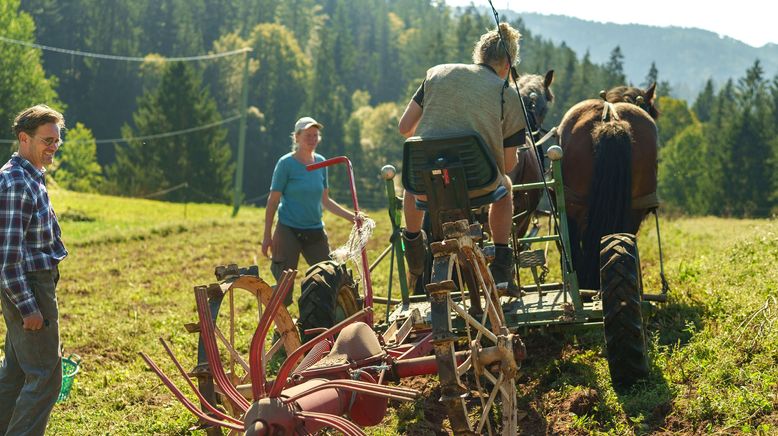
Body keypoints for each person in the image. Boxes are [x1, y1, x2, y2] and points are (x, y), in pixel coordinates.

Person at [397, 23, 527, 295]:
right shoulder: (508, 94)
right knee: (505, 189)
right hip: (478, 182)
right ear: (507, 64)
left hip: (429, 182)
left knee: (413, 182)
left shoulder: (437, 74)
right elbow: (508, 164)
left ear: (479, 55)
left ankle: (413, 245)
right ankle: (502, 260)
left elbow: (405, 128)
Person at [0, 104, 68, 435]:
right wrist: (29, 308)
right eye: (47, 140)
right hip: (28, 287)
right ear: (24, 138)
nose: (53, 146)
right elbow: (8, 256)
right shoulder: (16, 182)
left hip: (33, 283)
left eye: (57, 140)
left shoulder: (31, 175)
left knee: (15, 373)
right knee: (45, 378)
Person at [261, 117, 356, 305]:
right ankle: (280, 331)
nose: (312, 138)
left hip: (315, 230)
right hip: (288, 229)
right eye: (307, 135)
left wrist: (352, 217)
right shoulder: (286, 164)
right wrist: (267, 236)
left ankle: (329, 326)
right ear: (296, 137)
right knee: (284, 288)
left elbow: (326, 201)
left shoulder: (321, 163)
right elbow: (273, 201)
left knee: (330, 277)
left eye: (315, 135)